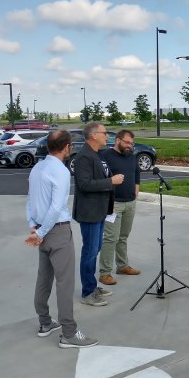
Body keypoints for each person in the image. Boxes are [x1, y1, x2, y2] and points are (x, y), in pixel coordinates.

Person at [25, 130, 97, 348]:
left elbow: (29, 201)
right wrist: (41, 232)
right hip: (55, 231)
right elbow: (57, 207)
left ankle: (45, 322)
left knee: (43, 278)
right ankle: (69, 333)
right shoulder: (61, 171)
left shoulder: (38, 167)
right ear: (67, 147)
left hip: (41, 230)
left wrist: (35, 229)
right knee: (65, 283)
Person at [73, 122, 124, 306]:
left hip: (100, 211)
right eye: (104, 133)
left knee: (95, 249)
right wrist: (111, 181)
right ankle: (88, 292)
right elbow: (85, 184)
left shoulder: (95, 154)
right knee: (90, 252)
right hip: (90, 213)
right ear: (93, 135)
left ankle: (92, 286)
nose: (107, 136)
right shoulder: (83, 157)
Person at [99, 129, 141, 286]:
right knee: (111, 238)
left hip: (130, 202)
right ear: (118, 140)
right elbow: (100, 177)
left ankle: (122, 266)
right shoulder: (105, 156)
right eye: (127, 142)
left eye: (132, 143)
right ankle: (104, 273)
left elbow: (136, 172)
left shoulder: (131, 156)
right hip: (113, 204)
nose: (130, 146)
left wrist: (136, 188)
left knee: (123, 237)